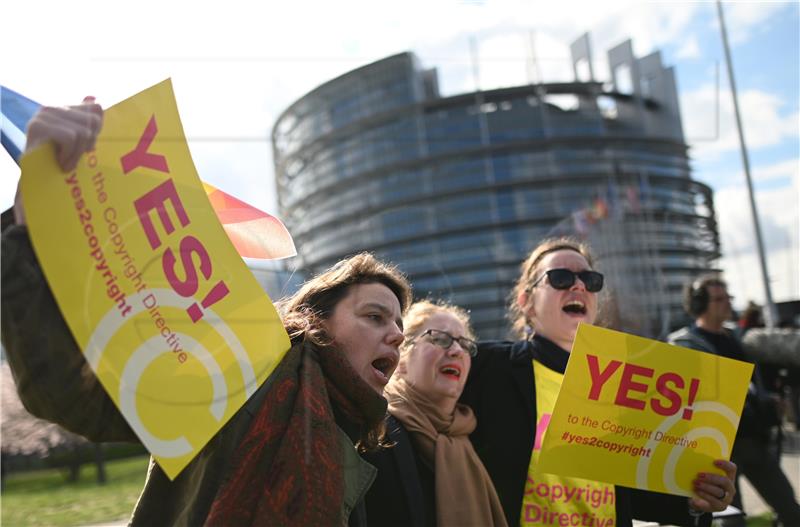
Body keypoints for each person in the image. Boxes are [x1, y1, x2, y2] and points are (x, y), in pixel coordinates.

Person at [1, 99, 413, 526]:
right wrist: (29, 228)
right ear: (318, 319)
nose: (398, 335)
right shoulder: (247, 367)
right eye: (374, 316)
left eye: (400, 323)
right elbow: (69, 394)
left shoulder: (363, 432)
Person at [460, 237, 738, 527]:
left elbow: (633, 495)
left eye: (590, 280)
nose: (578, 286)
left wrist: (695, 502)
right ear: (526, 301)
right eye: (560, 277)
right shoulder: (485, 368)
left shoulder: (628, 381)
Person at [668, 275, 800, 527]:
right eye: (719, 298)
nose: (726, 303)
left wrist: (765, 401)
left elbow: (757, 374)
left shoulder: (738, 338)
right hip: (719, 449)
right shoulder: (683, 345)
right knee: (731, 520)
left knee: (790, 510)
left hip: (756, 442)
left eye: (728, 297)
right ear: (699, 304)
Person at [364, 301, 507, 527]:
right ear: (401, 359)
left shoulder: (473, 438)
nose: (457, 351)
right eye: (440, 339)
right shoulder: (373, 430)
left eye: (465, 344)